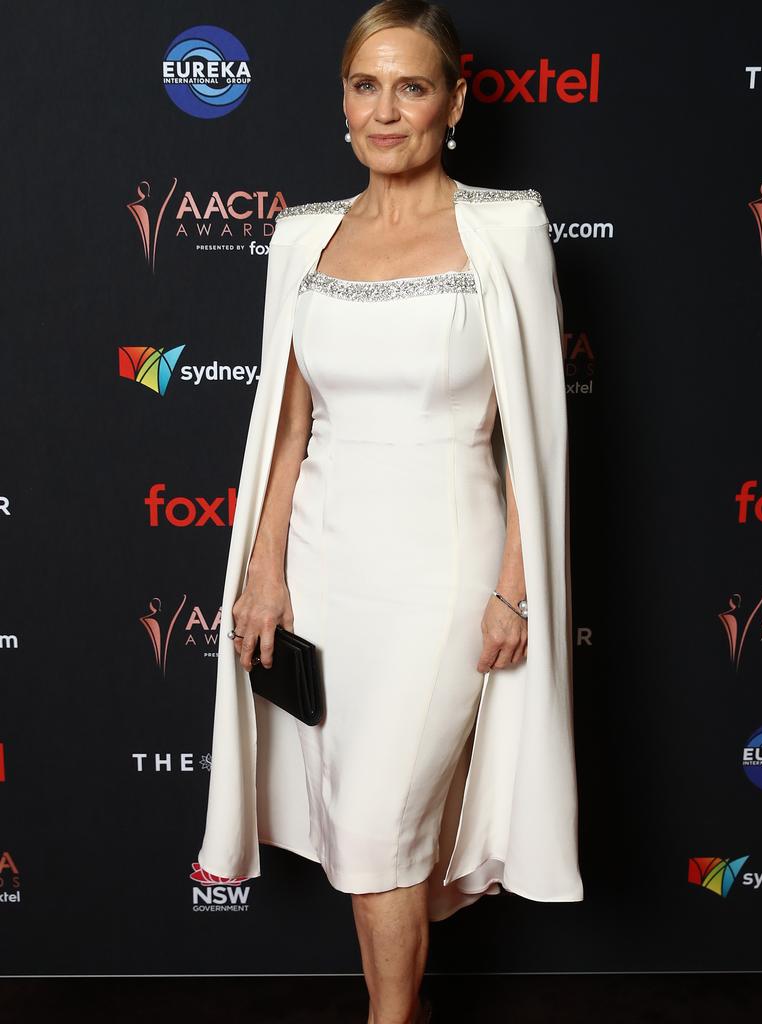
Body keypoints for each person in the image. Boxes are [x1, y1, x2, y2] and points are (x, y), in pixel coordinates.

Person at [198, 2, 584, 1022]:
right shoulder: (302, 239)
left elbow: (536, 436)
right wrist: (264, 573)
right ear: (343, 101)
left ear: (453, 102)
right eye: (366, 85)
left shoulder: (503, 230)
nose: (386, 109)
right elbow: (285, 434)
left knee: (379, 822)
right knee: (367, 837)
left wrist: (516, 590)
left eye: (411, 86)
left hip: (442, 571)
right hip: (327, 568)